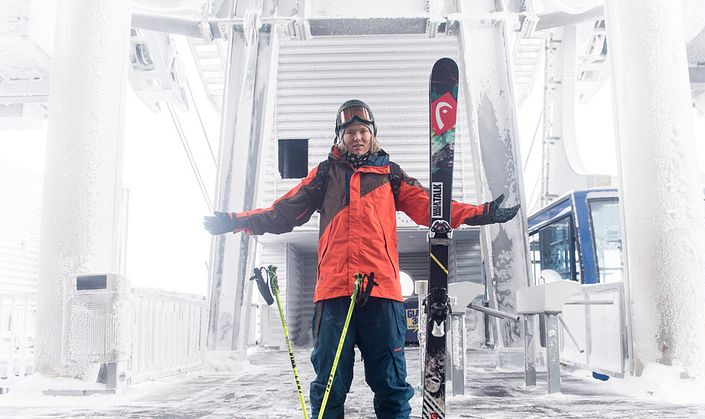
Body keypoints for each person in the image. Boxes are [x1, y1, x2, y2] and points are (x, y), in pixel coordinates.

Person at [204, 99, 520, 419]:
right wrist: (235, 220)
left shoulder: (390, 175)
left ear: (372, 135)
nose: (357, 137)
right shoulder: (325, 175)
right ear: (340, 137)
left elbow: (432, 207)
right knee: (329, 385)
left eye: (363, 131)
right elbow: (281, 213)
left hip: (381, 293)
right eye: (351, 132)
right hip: (334, 295)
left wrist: (481, 213)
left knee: (392, 385)